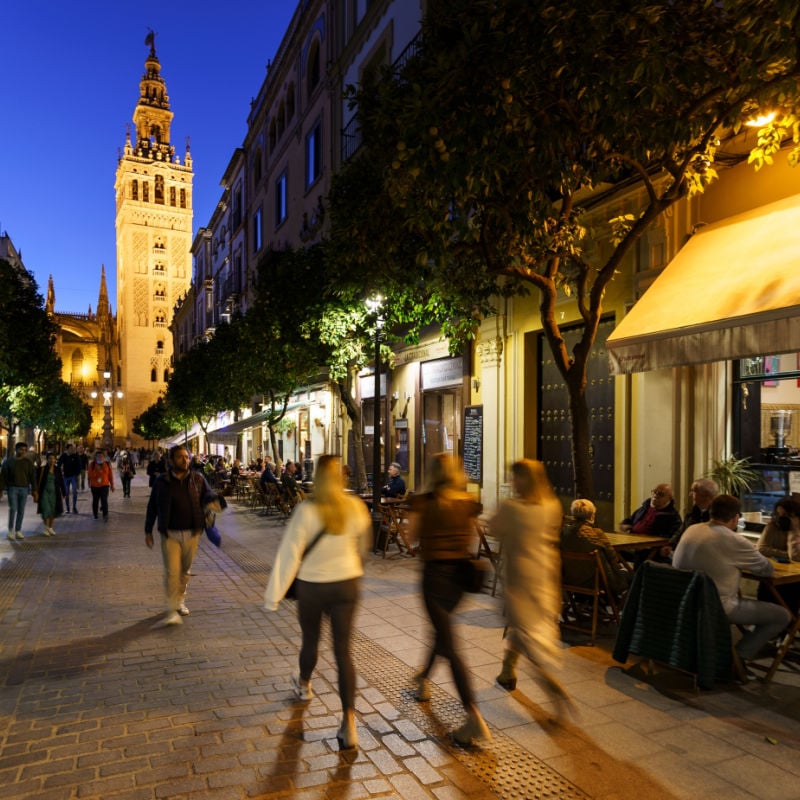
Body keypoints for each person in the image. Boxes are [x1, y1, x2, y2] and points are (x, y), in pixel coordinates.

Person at [264, 455, 372, 749]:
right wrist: (352, 569)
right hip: (346, 585)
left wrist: (273, 596)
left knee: (310, 640)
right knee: (343, 653)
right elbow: (364, 547)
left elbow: (290, 554)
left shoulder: (306, 510)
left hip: (312, 586)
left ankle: (304, 685)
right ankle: (349, 723)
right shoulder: (356, 506)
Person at [407, 453, 491, 747]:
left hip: (434, 577)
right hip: (460, 580)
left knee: (450, 645)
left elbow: (412, 537)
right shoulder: (467, 502)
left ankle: (473, 716)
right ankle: (423, 680)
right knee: (441, 632)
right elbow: (469, 541)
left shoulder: (426, 501)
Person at [491, 460, 572, 716]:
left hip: (520, 576)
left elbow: (494, 528)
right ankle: (507, 672)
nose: (511, 482)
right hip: (545, 573)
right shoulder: (552, 505)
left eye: (514, 478)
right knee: (523, 627)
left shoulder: (512, 507)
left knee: (526, 634)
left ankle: (550, 684)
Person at [673, 494, 791, 661]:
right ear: (736, 518)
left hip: (683, 601)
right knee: (782, 615)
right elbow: (766, 569)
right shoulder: (735, 540)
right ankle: (737, 659)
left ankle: (734, 656)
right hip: (716, 606)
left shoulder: (692, 530)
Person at [145, 445, 223, 625]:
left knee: (184, 572)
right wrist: (148, 530)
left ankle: (180, 600)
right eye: (180, 457)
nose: (185, 460)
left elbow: (209, 497)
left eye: (187, 457)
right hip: (170, 533)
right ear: (171, 460)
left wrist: (216, 502)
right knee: (173, 571)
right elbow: (152, 507)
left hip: (192, 533)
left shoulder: (198, 479)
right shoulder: (162, 482)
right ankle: (171, 609)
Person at [561, 498, 631, 601]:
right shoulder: (597, 534)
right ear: (591, 515)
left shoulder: (563, 533)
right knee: (633, 577)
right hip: (597, 582)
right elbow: (613, 558)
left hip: (570, 581)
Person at [756, 497, 800, 610]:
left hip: (795, 577)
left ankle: (788, 623)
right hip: (777, 573)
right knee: (767, 587)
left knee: (790, 592)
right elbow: (761, 548)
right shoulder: (772, 527)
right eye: (778, 514)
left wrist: (793, 530)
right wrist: (786, 554)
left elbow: (796, 556)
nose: (781, 518)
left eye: (785, 515)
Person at [667, 477, 719, 554]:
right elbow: (681, 532)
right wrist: (670, 545)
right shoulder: (691, 514)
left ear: (706, 495)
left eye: (694, 491)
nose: (690, 494)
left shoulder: (719, 515)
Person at [1, 442, 39, 540]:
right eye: (21, 449)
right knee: (13, 508)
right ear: (16, 449)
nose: (23, 452)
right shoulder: (8, 462)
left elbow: (32, 477)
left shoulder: (28, 462)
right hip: (12, 488)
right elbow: (3, 476)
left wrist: (35, 490)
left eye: (24, 450)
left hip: (24, 488)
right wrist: (1, 489)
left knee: (21, 510)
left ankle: (18, 530)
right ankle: (10, 530)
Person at [36, 452, 67, 536]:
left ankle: (50, 527)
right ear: (47, 459)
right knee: (46, 509)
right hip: (44, 492)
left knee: (53, 510)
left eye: (53, 458)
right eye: (50, 458)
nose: (52, 460)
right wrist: (35, 491)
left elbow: (61, 482)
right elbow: (36, 481)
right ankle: (46, 528)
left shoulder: (58, 470)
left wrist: (64, 492)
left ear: (55, 459)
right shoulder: (42, 469)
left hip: (54, 492)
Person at [88, 449, 115, 521]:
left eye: (101, 456)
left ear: (104, 457)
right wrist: (97, 471)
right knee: (95, 500)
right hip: (94, 486)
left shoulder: (107, 464)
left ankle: (105, 514)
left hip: (104, 485)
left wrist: (112, 485)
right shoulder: (92, 465)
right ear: (95, 457)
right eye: (98, 456)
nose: (100, 458)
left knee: (104, 500)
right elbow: (90, 475)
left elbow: (110, 475)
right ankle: (95, 514)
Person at [57, 443, 81, 514]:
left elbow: (79, 465)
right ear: (67, 449)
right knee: (66, 493)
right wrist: (60, 473)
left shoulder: (75, 456)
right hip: (65, 477)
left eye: (73, 448)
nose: (72, 450)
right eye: (71, 448)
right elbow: (59, 464)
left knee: (74, 492)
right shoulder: (64, 456)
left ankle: (74, 507)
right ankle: (67, 508)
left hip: (73, 476)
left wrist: (77, 474)